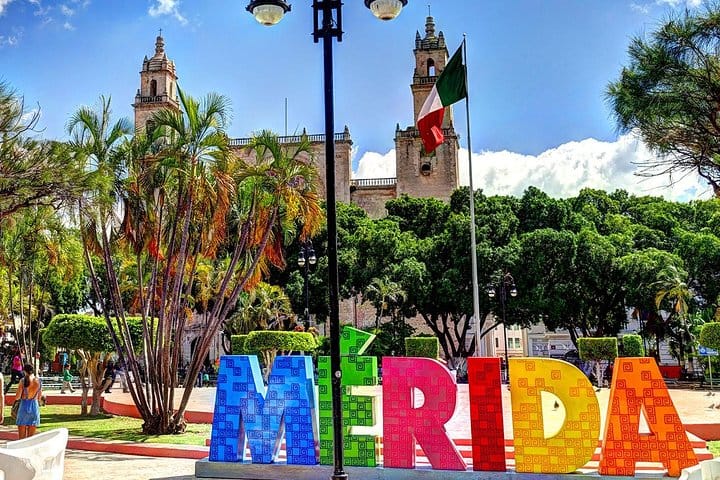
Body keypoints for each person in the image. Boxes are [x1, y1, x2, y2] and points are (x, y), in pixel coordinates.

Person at [14, 363, 42, 439]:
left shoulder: (23, 381)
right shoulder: (39, 381)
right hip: (34, 407)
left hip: (23, 406)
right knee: (30, 439)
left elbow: (17, 397)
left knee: (21, 439)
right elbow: (39, 398)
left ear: (24, 371)